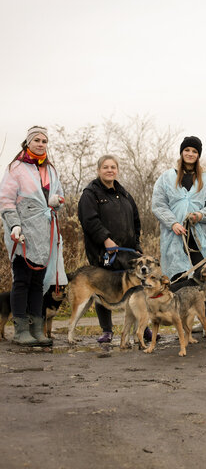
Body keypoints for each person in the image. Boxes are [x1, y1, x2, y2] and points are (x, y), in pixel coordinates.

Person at [0, 126, 66, 346]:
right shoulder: (16, 168)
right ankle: (20, 330)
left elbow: (57, 196)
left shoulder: (51, 170)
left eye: (44, 141)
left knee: (38, 282)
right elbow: (6, 200)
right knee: (22, 280)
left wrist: (55, 201)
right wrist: (14, 225)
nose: (41, 144)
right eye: (36, 140)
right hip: (23, 233)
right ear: (28, 143)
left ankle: (37, 328)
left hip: (45, 234)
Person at [152, 136, 206, 336]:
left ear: (198, 155)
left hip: (200, 238)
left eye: (194, 151)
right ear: (182, 152)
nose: (190, 154)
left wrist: (201, 215)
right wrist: (172, 222)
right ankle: (180, 323)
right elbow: (158, 204)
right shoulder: (166, 177)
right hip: (175, 238)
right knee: (177, 279)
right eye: (187, 150)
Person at [78, 154, 143, 343]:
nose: (109, 170)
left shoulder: (124, 194)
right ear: (99, 170)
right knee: (104, 289)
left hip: (128, 253)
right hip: (102, 252)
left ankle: (141, 327)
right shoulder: (90, 193)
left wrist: (137, 244)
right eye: (105, 167)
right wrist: (105, 239)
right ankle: (107, 330)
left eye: (113, 167)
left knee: (135, 290)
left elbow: (136, 221)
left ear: (117, 170)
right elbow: (89, 220)